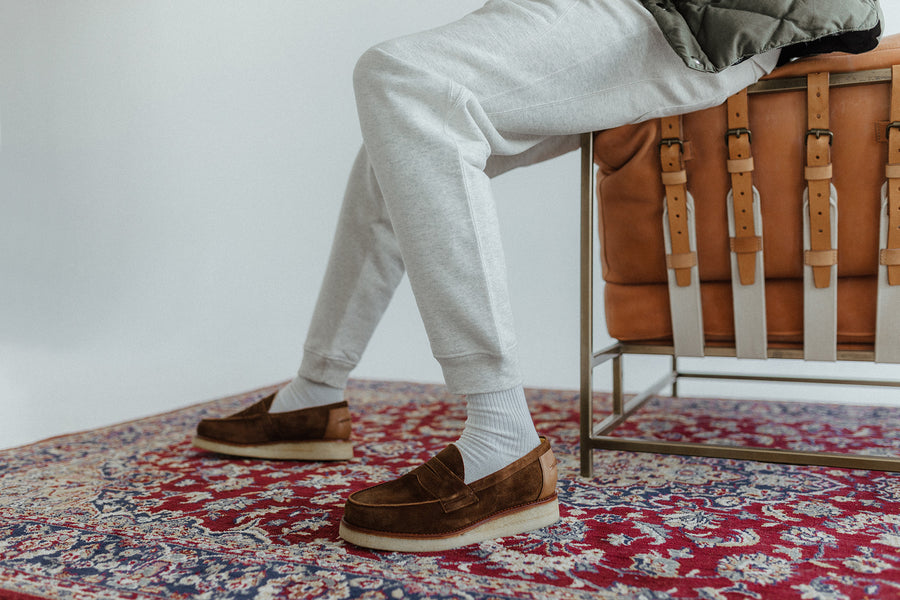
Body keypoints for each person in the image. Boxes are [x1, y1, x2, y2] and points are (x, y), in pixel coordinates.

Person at [193, 0, 884, 552]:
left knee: (406, 81)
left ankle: (504, 443)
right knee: (395, 140)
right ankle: (316, 394)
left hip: (699, 14)